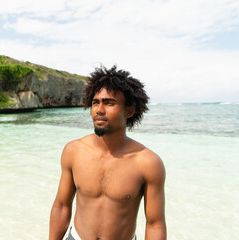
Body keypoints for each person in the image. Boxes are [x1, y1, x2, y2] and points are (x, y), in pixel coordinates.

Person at [49, 66, 166, 240]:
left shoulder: (148, 163)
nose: (99, 110)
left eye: (109, 103)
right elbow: (61, 206)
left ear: (129, 111)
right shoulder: (73, 151)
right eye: (95, 102)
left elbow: (155, 224)